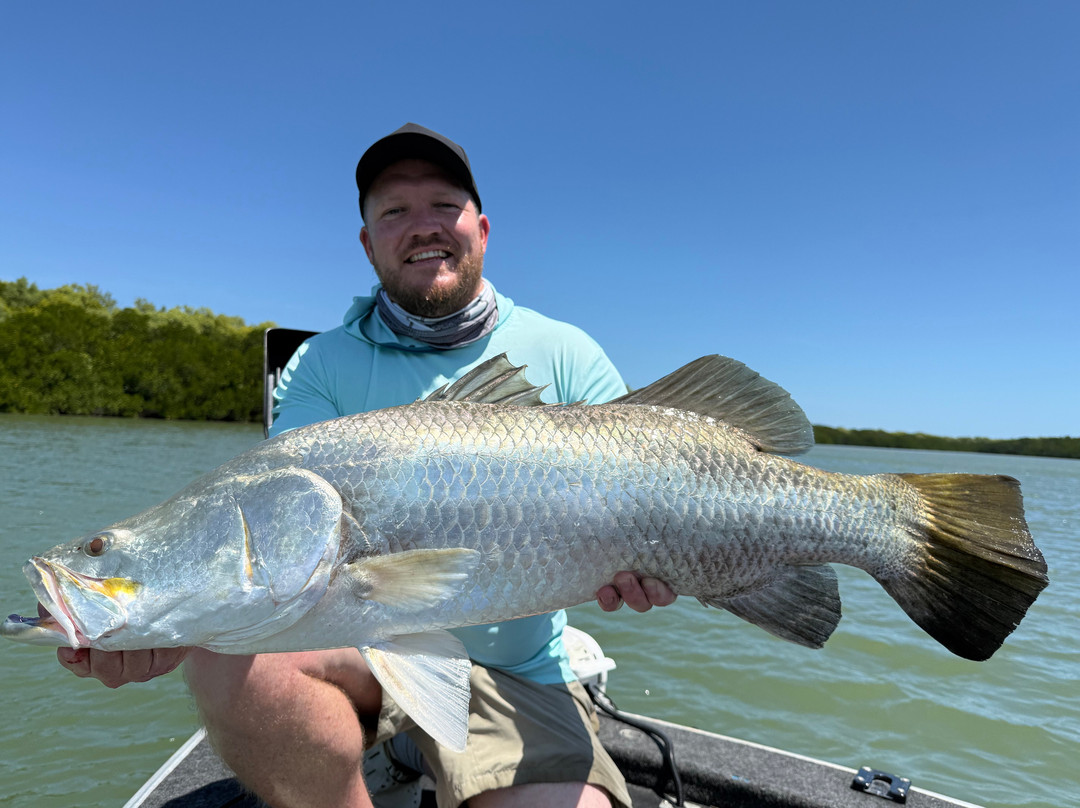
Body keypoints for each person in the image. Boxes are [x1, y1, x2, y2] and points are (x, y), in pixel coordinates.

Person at [56, 123, 677, 808]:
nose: (422, 227)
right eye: (393, 211)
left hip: (520, 676)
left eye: (444, 204)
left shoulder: (565, 352)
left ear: (483, 227)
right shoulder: (320, 364)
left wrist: (661, 561)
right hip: (361, 654)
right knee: (220, 661)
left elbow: (656, 482)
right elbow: (285, 538)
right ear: (366, 242)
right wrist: (177, 625)